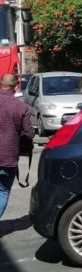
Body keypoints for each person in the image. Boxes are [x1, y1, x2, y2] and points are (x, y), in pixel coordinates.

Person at [0, 73, 35, 222]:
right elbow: (30, 133)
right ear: (16, 86)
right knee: (3, 191)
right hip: (9, 156)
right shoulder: (21, 107)